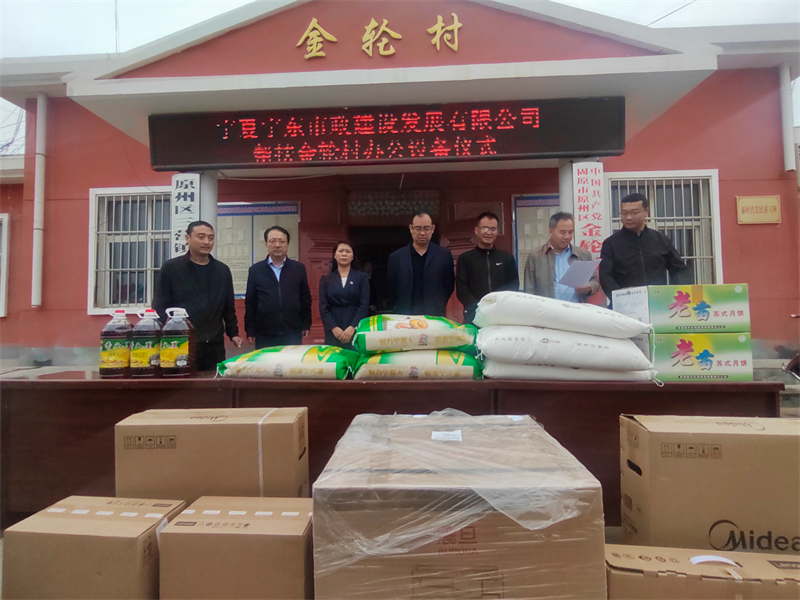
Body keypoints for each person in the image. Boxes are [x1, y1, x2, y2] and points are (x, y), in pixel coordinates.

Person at [153, 220, 242, 371]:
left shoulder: (222, 271)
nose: (206, 242)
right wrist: (156, 334)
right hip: (181, 341)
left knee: (214, 382)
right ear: (187, 238)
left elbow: (228, 306)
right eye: (201, 237)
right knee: (181, 381)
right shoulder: (171, 268)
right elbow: (160, 304)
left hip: (214, 343)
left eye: (210, 237)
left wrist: (233, 333)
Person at [599, 193, 691, 301]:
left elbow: (679, 270)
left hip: (658, 300)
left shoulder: (660, 240)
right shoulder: (611, 243)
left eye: (634, 213)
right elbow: (606, 277)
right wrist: (620, 298)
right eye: (624, 213)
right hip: (626, 303)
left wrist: (675, 294)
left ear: (646, 212)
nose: (629, 217)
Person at [244, 225, 312, 349]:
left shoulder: (298, 269)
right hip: (264, 332)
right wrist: (250, 329)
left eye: (281, 241)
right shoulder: (255, 270)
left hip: (292, 331)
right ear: (266, 244)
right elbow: (250, 302)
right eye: (272, 241)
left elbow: (305, 298)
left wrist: (306, 323)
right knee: (266, 362)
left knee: (291, 361)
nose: (277, 245)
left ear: (287, 244)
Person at [387, 212, 455, 316]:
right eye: (418, 229)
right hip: (404, 314)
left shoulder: (444, 255)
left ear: (432, 229)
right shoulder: (396, 257)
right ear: (411, 228)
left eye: (426, 228)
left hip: (434, 314)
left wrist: (439, 304)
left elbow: (449, 285)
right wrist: (396, 307)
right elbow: (391, 288)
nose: (422, 233)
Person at [456, 212, 519, 323]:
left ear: (497, 232)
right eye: (484, 228)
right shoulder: (465, 258)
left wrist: (497, 305)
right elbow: (462, 289)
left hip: (501, 315)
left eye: (493, 229)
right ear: (476, 230)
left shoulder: (507, 258)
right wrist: (479, 308)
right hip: (474, 316)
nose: (488, 233)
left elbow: (513, 285)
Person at [523, 211, 600, 302]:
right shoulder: (536, 256)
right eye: (562, 232)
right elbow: (529, 290)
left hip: (576, 308)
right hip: (547, 309)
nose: (567, 236)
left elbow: (594, 281)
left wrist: (589, 287)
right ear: (550, 232)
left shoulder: (583, 254)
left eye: (570, 232)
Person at [318, 241, 370, 349]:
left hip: (355, 328)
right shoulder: (326, 280)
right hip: (333, 330)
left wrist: (353, 327)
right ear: (334, 255)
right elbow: (323, 307)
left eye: (348, 251)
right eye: (341, 251)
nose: (344, 254)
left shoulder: (361, 278)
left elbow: (363, 305)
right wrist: (334, 328)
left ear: (353, 256)